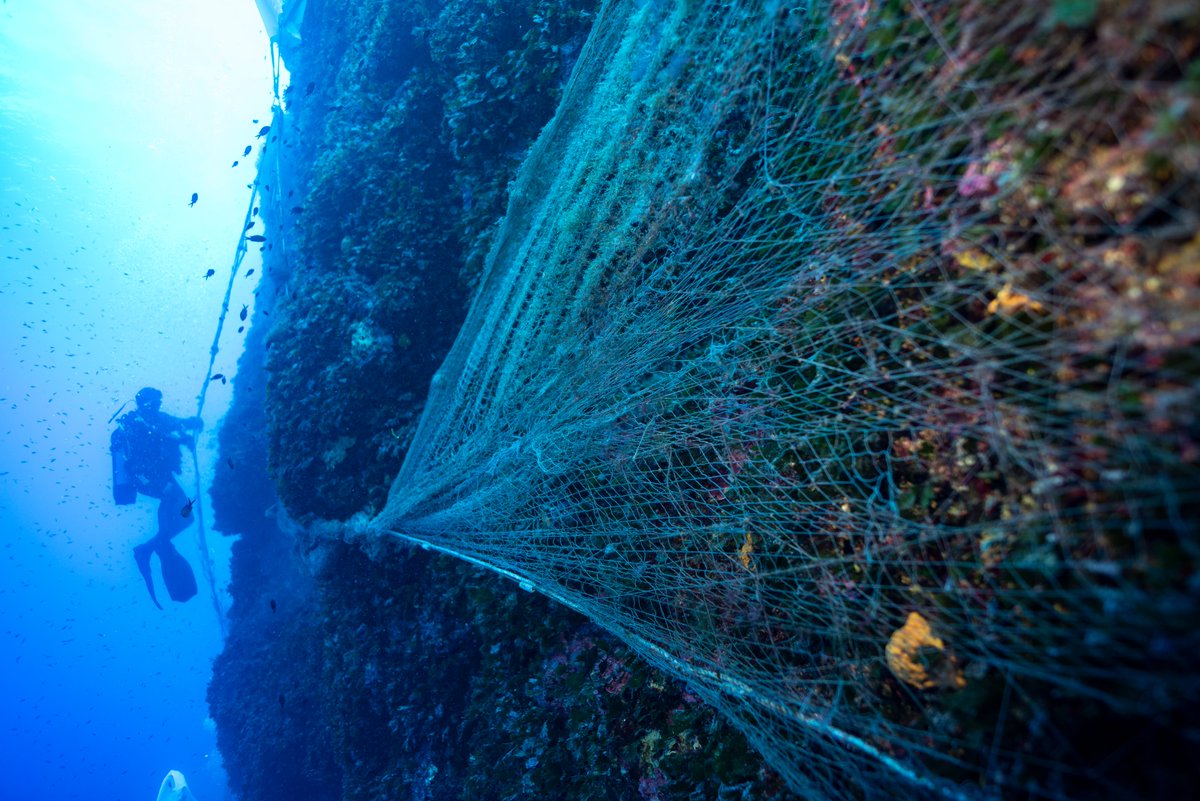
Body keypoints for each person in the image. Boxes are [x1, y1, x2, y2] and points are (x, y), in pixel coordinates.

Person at [110, 387, 203, 609]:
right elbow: (136, 460)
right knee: (175, 502)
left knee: (187, 516)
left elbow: (174, 424)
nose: (156, 406)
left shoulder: (157, 418)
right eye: (152, 403)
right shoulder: (136, 424)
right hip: (145, 477)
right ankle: (156, 545)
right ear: (142, 404)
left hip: (160, 475)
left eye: (158, 402)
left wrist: (192, 423)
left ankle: (151, 546)